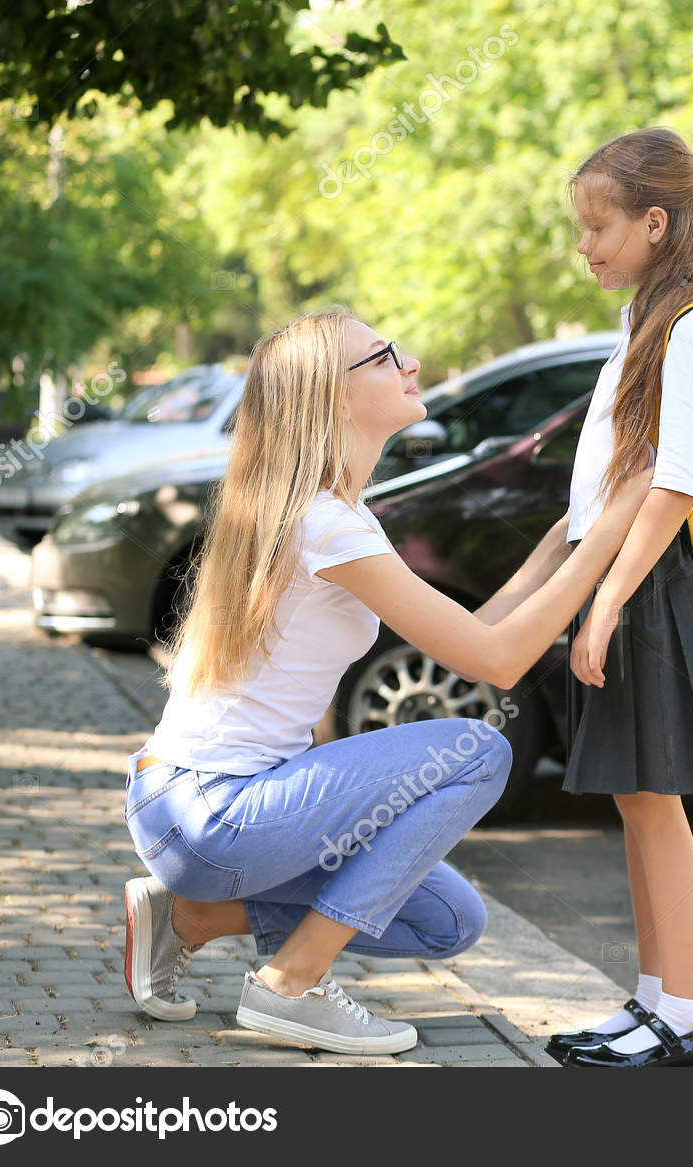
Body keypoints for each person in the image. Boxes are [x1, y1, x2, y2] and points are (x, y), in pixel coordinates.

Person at [122, 306, 649, 1054]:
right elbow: (499, 664)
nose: (410, 364)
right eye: (384, 356)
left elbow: (483, 630)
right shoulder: (327, 525)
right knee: (478, 750)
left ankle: (188, 918)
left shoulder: (328, 515)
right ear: (331, 396)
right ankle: (290, 985)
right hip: (214, 813)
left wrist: (575, 530)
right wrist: (613, 533)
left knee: (447, 921)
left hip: (195, 811)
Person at [538, 128, 693, 1069]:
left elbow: (675, 483)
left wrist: (609, 597)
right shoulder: (643, 326)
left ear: (656, 223)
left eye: (599, 226)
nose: (586, 245)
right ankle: (656, 997)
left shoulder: (692, 330)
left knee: (656, 801)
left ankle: (689, 1013)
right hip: (623, 581)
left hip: (647, 587)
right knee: (634, 799)